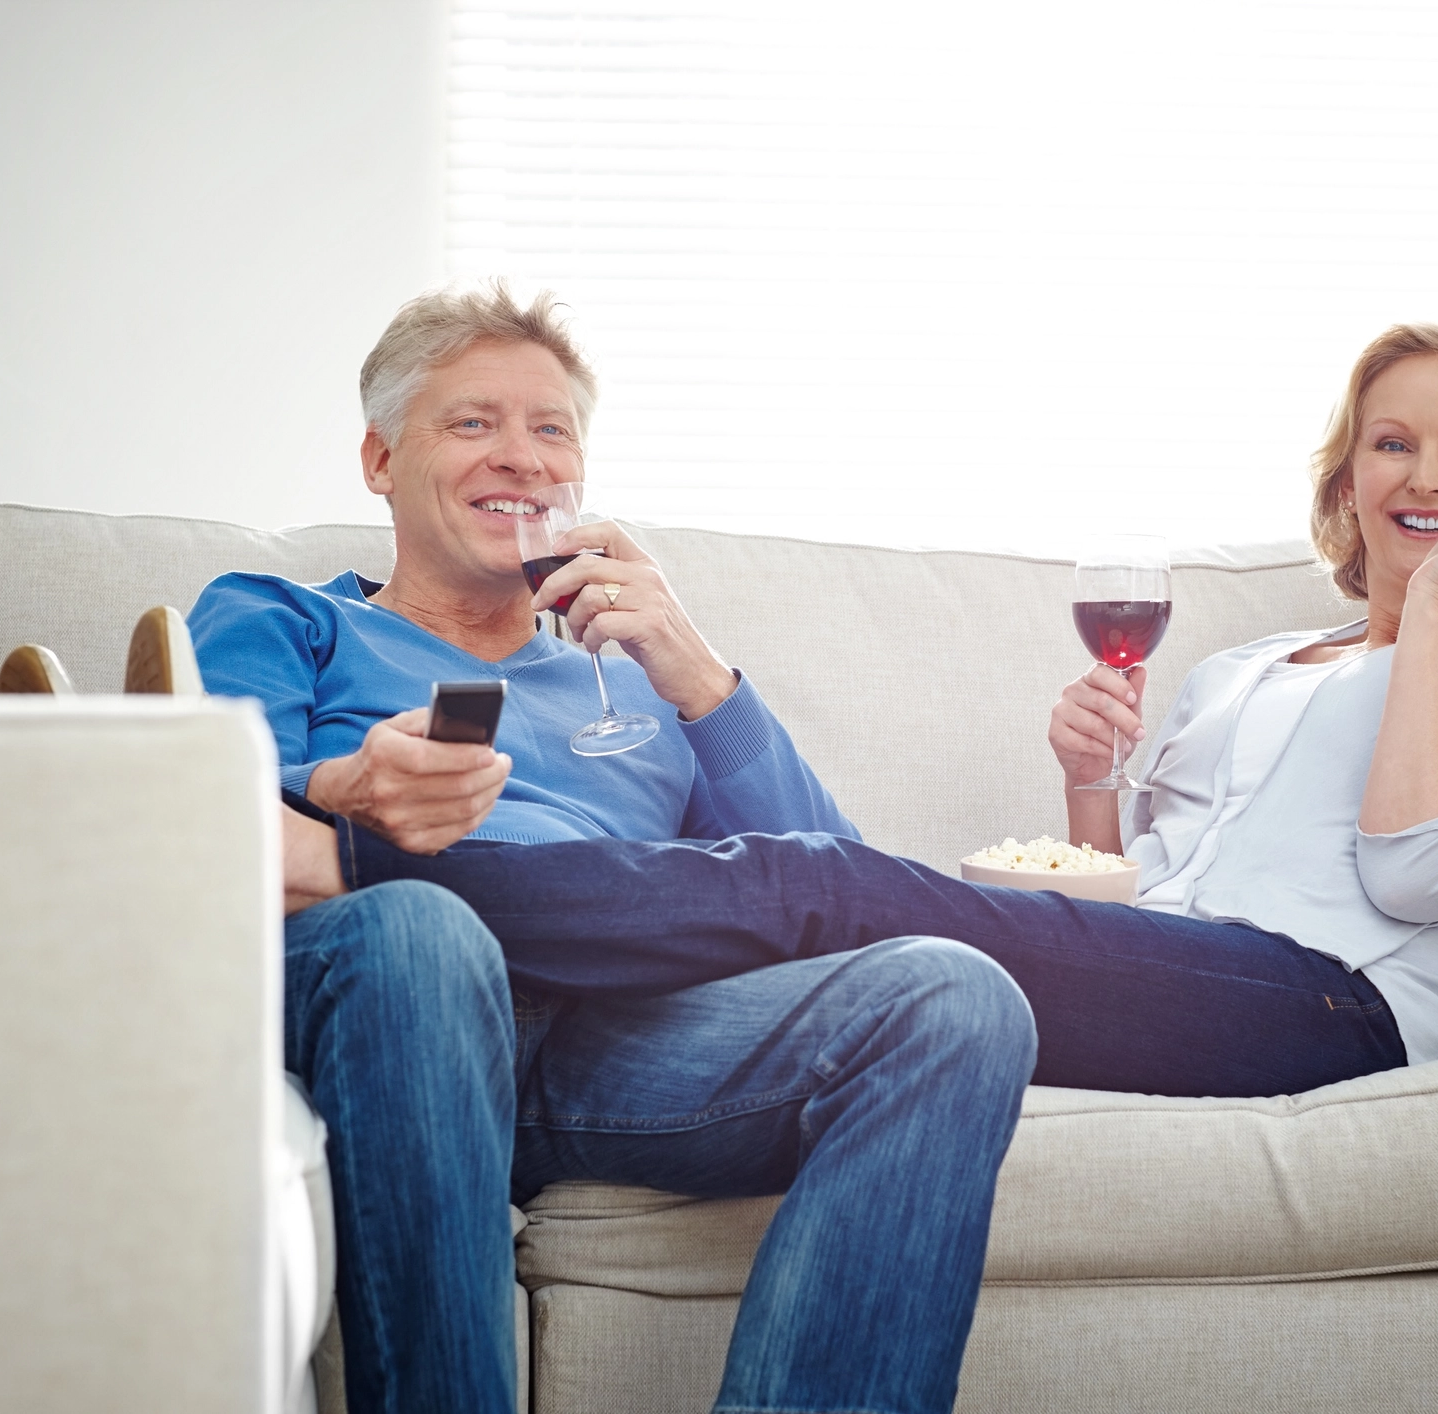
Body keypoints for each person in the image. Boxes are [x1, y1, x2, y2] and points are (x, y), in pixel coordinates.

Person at [283, 321, 1438, 1097]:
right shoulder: (1255, 667)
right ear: (1346, 479)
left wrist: (1430, 617)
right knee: (856, 938)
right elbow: (1135, 885)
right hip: (1192, 968)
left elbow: (1420, 865)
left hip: (1332, 1009)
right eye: (1392, 442)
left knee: (816, 881)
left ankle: (338, 862)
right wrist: (1091, 788)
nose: (1423, 474)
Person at [190, 283, 1038, 1414]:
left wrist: (694, 671)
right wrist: (338, 794)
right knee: (423, 926)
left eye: (552, 429)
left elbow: (840, 888)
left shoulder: (633, 683)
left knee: (950, 992)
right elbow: (192, 828)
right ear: (380, 458)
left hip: (607, 1041)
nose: (523, 455)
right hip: (389, 992)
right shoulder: (281, 617)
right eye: (474, 421)